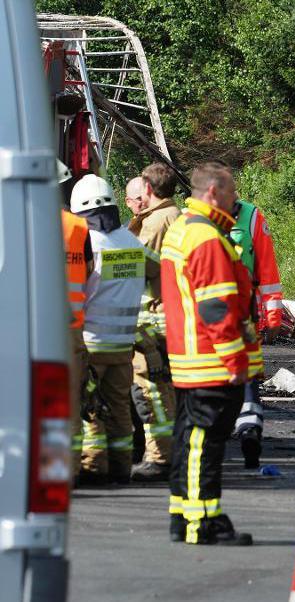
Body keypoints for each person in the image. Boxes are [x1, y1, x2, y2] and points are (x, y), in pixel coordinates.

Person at [162, 162, 262, 545]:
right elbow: (217, 308)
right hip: (211, 361)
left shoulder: (183, 229)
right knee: (206, 444)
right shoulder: (207, 238)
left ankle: (183, 514)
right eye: (233, 193)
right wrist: (237, 362)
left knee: (189, 440)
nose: (236, 201)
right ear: (214, 193)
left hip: (191, 358)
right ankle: (202, 522)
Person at [73, 174, 147, 486]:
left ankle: (92, 467)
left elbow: (82, 290)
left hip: (92, 343)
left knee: (87, 409)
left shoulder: (88, 243)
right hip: (123, 344)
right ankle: (120, 467)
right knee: (118, 409)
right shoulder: (132, 241)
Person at [125, 163, 182, 481]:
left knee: (151, 391)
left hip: (152, 320)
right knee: (165, 391)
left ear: (147, 188)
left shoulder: (157, 221)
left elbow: (137, 264)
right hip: (164, 318)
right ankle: (165, 452)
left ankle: (159, 457)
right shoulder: (173, 216)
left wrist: (108, 251)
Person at [227, 192, 283, 468]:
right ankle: (241, 424)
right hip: (212, 315)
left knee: (246, 372)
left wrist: (273, 314)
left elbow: (267, 268)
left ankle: (248, 428)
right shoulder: (195, 221)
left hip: (243, 313)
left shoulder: (250, 216)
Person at [58, 160, 91, 482]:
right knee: (70, 400)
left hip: (27, 330)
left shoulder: (20, 221)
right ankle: (68, 468)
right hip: (72, 329)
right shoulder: (80, 228)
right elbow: (91, 274)